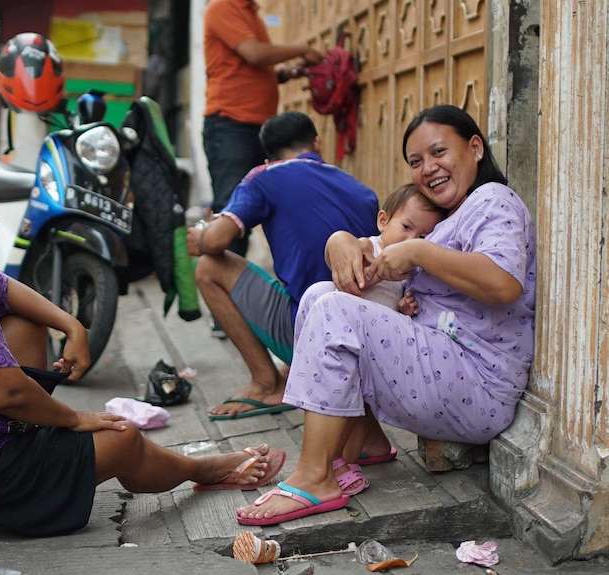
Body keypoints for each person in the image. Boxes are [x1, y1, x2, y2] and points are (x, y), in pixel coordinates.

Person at [0, 116, 288, 538]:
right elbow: (7, 392)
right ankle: (204, 468)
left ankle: (40, 442)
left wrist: (72, 325)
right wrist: (74, 419)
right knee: (123, 437)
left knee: (27, 324)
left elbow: (2, 286)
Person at [236, 104, 536, 526]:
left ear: (475, 147)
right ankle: (367, 443)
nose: (429, 168)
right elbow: (377, 250)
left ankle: (315, 477)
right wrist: (339, 242)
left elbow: (504, 283)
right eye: (416, 161)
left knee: (337, 311)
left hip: (476, 381)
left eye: (439, 152)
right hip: (439, 370)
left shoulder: (493, 199)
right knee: (320, 294)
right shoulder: (439, 216)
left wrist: (417, 251)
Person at [187, 111, 379, 420]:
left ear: (268, 156)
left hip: (315, 332)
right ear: (317, 142)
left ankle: (266, 383)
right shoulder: (359, 188)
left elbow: (217, 241)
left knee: (209, 267)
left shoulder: (264, 177)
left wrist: (201, 237)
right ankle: (293, 371)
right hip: (368, 334)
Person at [202, 0, 322, 263]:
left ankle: (238, 290)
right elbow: (254, 54)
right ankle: (223, 290)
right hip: (231, 126)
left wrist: (285, 74)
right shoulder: (222, 7)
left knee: (265, 203)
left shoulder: (250, 11)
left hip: (256, 127)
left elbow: (248, 69)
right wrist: (302, 49)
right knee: (231, 215)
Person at [295, 183, 446, 319]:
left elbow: (392, 302)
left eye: (422, 237)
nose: (411, 240)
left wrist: (404, 308)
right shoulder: (368, 247)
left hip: (378, 332)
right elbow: (351, 281)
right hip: (348, 318)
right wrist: (379, 273)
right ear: (383, 221)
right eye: (406, 227)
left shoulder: (410, 270)